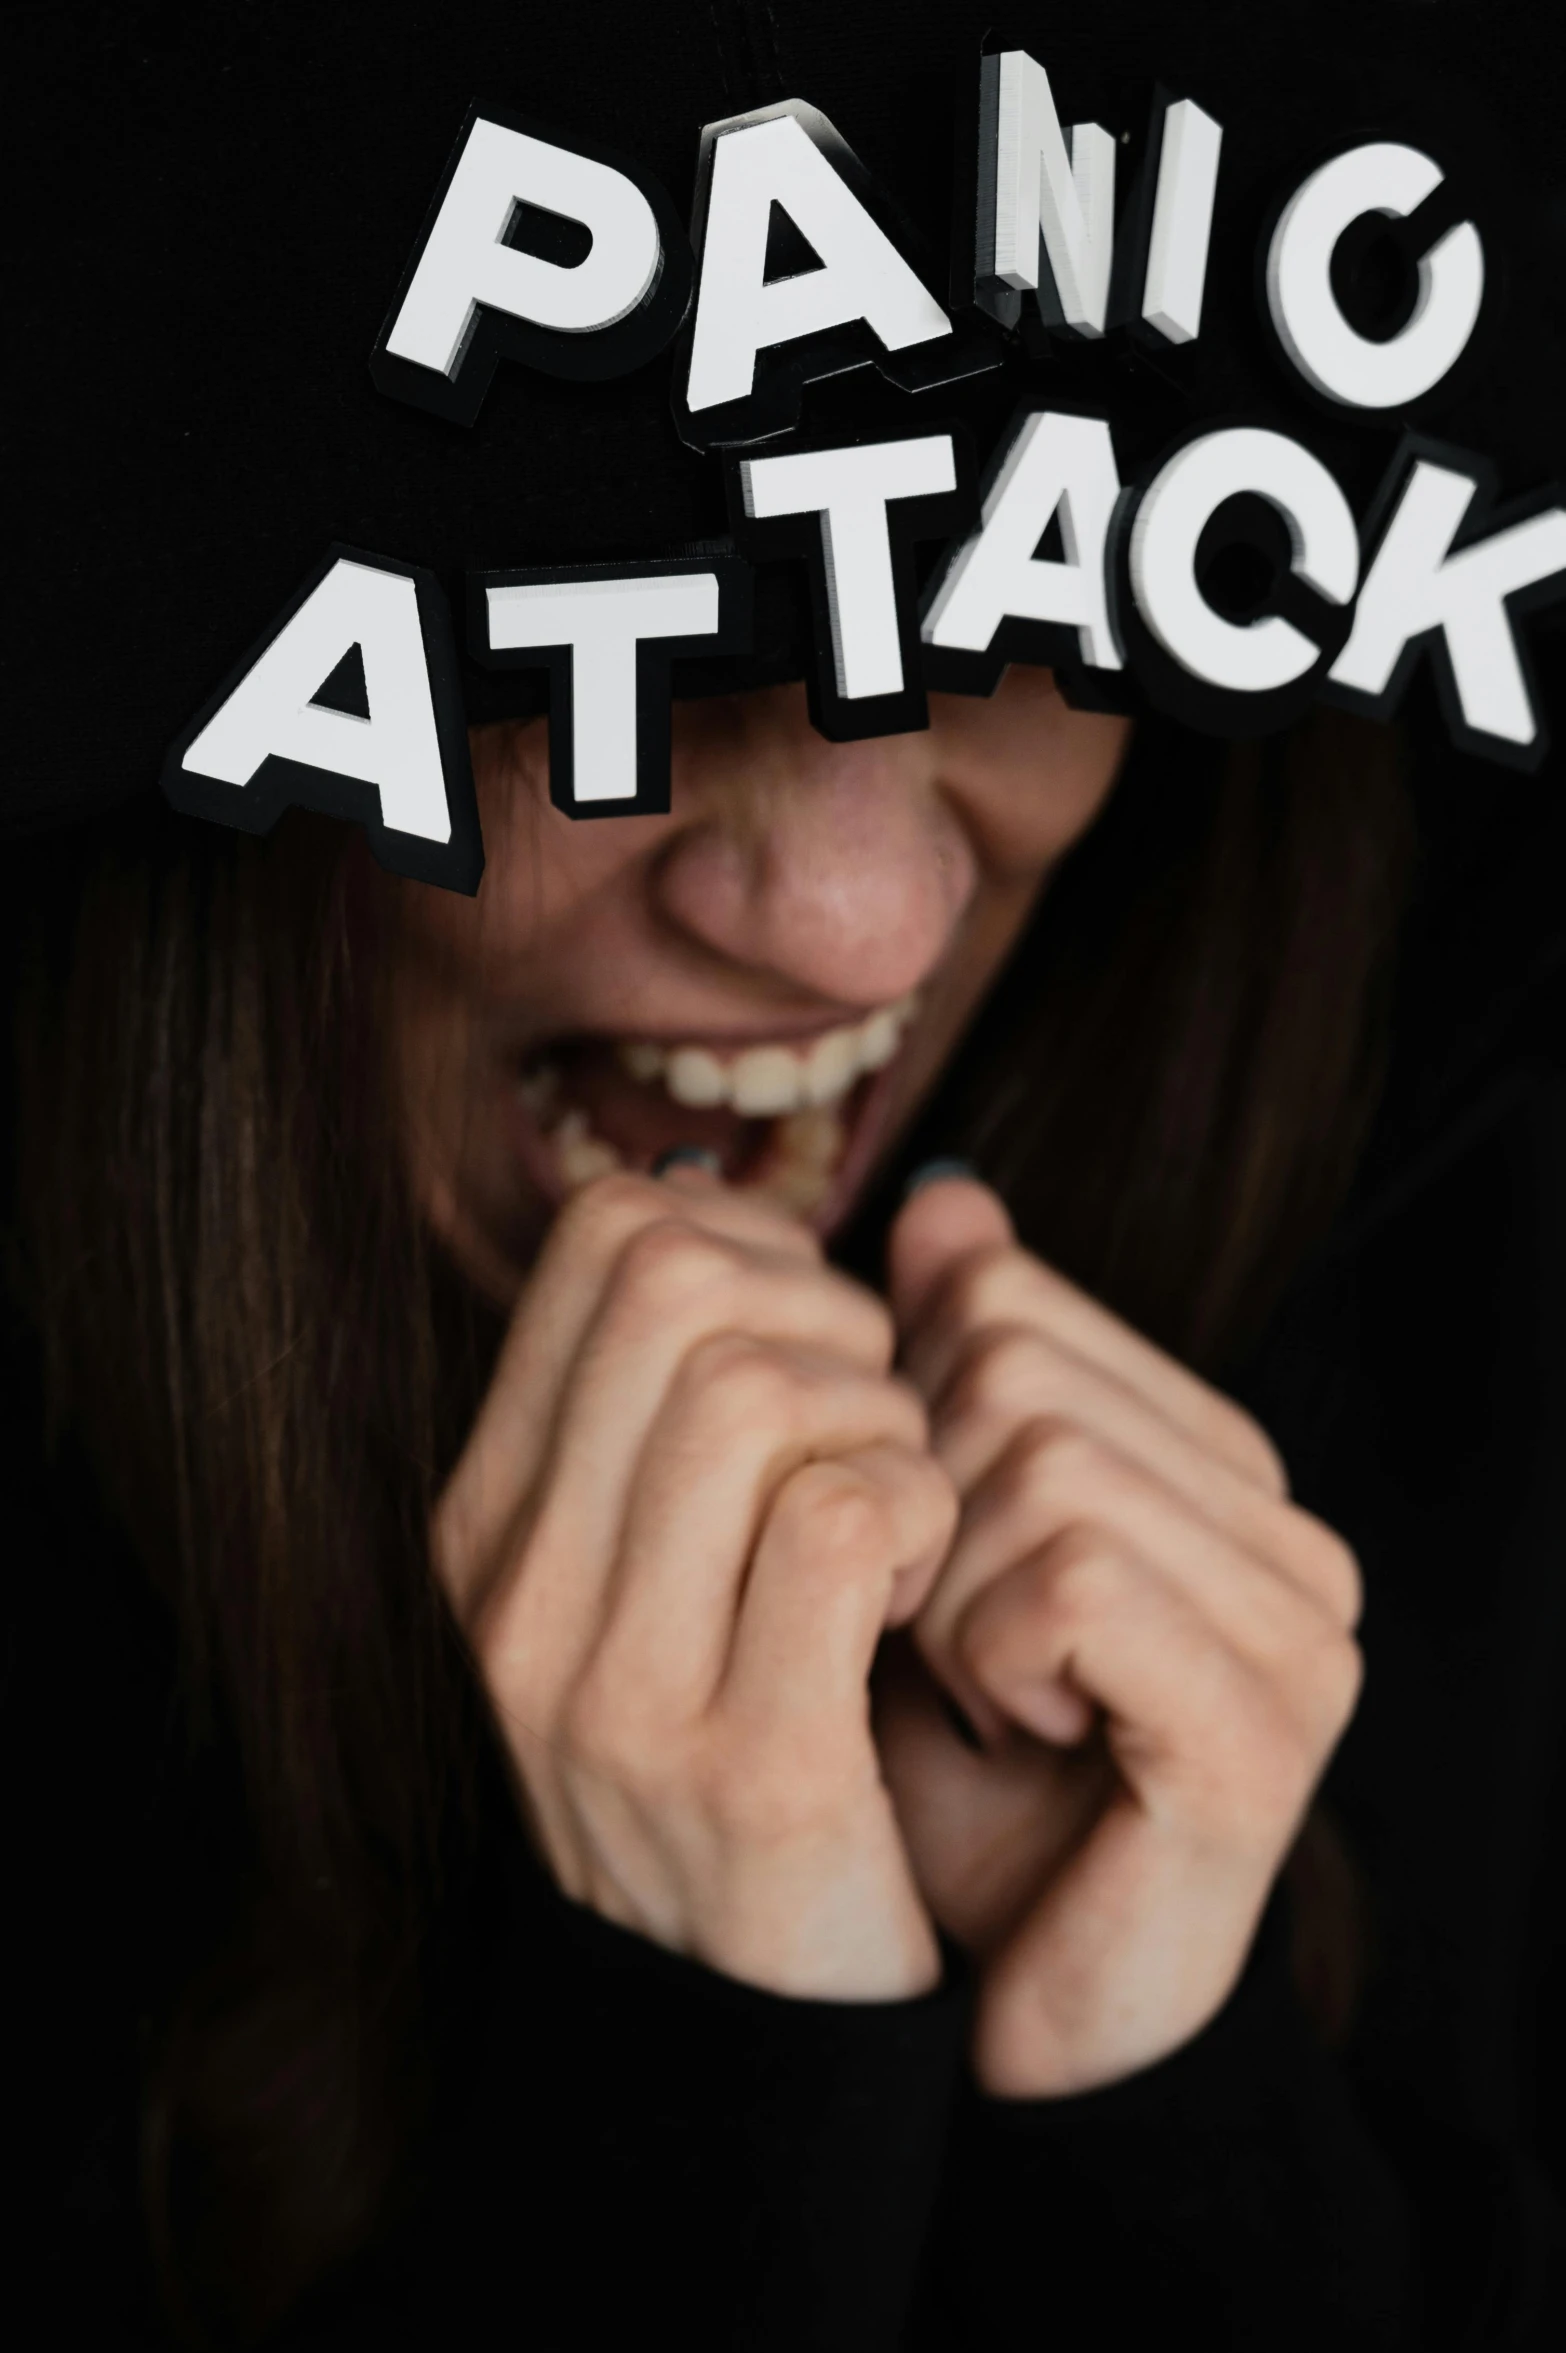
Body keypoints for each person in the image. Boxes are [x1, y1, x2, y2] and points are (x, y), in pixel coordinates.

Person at [8, 5, 1566, 2349]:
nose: (871, 922)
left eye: (1035, 606)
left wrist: (1157, 2102)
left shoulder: (1426, 1243)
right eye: (635, 650)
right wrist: (712, 2098)